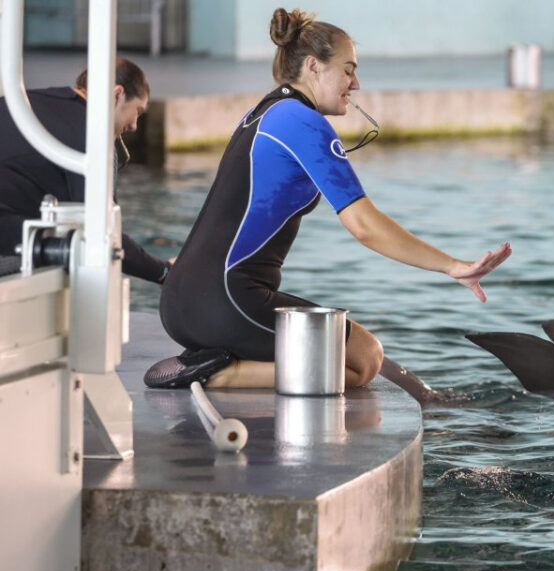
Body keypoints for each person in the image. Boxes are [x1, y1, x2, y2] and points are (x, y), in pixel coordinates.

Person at [147, 8, 511, 390]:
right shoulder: (303, 122)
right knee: (363, 359)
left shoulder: (266, 111)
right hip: (224, 304)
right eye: (348, 69)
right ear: (313, 67)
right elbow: (365, 226)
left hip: (184, 302)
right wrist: (453, 266)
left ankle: (216, 357)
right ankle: (221, 373)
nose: (356, 84)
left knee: (351, 348)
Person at [0, 58, 172, 283]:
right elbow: (105, 235)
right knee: (76, 253)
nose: (134, 125)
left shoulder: (25, 100)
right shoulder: (94, 138)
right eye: (137, 111)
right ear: (117, 94)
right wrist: (164, 272)